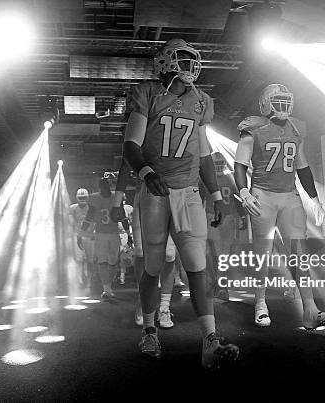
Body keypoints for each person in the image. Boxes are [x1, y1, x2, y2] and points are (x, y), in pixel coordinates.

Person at [121, 38, 239, 369]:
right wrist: (146, 172)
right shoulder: (148, 93)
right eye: (182, 59)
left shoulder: (201, 101)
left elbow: (203, 154)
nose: (189, 66)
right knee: (153, 265)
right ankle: (148, 329)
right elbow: (131, 144)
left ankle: (210, 340)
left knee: (197, 266)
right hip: (156, 192)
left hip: (188, 192)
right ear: (165, 62)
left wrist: (215, 195)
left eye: (192, 60)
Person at [233, 83, 325, 330]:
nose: (284, 105)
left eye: (286, 100)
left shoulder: (296, 128)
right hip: (262, 194)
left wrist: (314, 199)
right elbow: (240, 164)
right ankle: (260, 304)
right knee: (263, 253)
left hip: (290, 195)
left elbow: (302, 166)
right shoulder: (253, 128)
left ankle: (310, 310)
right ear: (266, 104)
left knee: (299, 254)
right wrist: (244, 191)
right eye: (277, 100)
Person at [112, 170, 179, 329]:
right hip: (144, 193)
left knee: (169, 254)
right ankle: (144, 300)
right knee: (141, 253)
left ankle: (164, 306)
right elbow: (126, 163)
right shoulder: (139, 144)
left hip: (173, 192)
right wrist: (117, 202)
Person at [200, 151, 246, 300]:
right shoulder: (227, 178)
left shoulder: (210, 179)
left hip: (222, 218)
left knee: (220, 254)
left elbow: (237, 199)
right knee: (215, 253)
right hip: (216, 217)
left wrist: (243, 216)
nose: (219, 166)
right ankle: (217, 283)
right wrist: (243, 216)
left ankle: (220, 284)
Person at [79, 177, 123, 300]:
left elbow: (123, 215)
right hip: (101, 234)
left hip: (114, 233)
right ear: (100, 187)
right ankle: (107, 289)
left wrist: (129, 235)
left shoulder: (116, 197)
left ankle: (108, 285)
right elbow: (89, 216)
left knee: (113, 262)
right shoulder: (95, 199)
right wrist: (81, 232)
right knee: (102, 261)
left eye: (106, 185)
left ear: (109, 186)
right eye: (102, 186)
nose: (104, 188)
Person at [69, 188, 94, 287]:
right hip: (78, 235)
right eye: (80, 197)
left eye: (84, 197)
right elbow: (70, 222)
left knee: (90, 260)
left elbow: (95, 222)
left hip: (89, 235)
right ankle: (79, 279)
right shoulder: (73, 208)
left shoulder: (91, 208)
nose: (82, 199)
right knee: (79, 260)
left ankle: (89, 279)